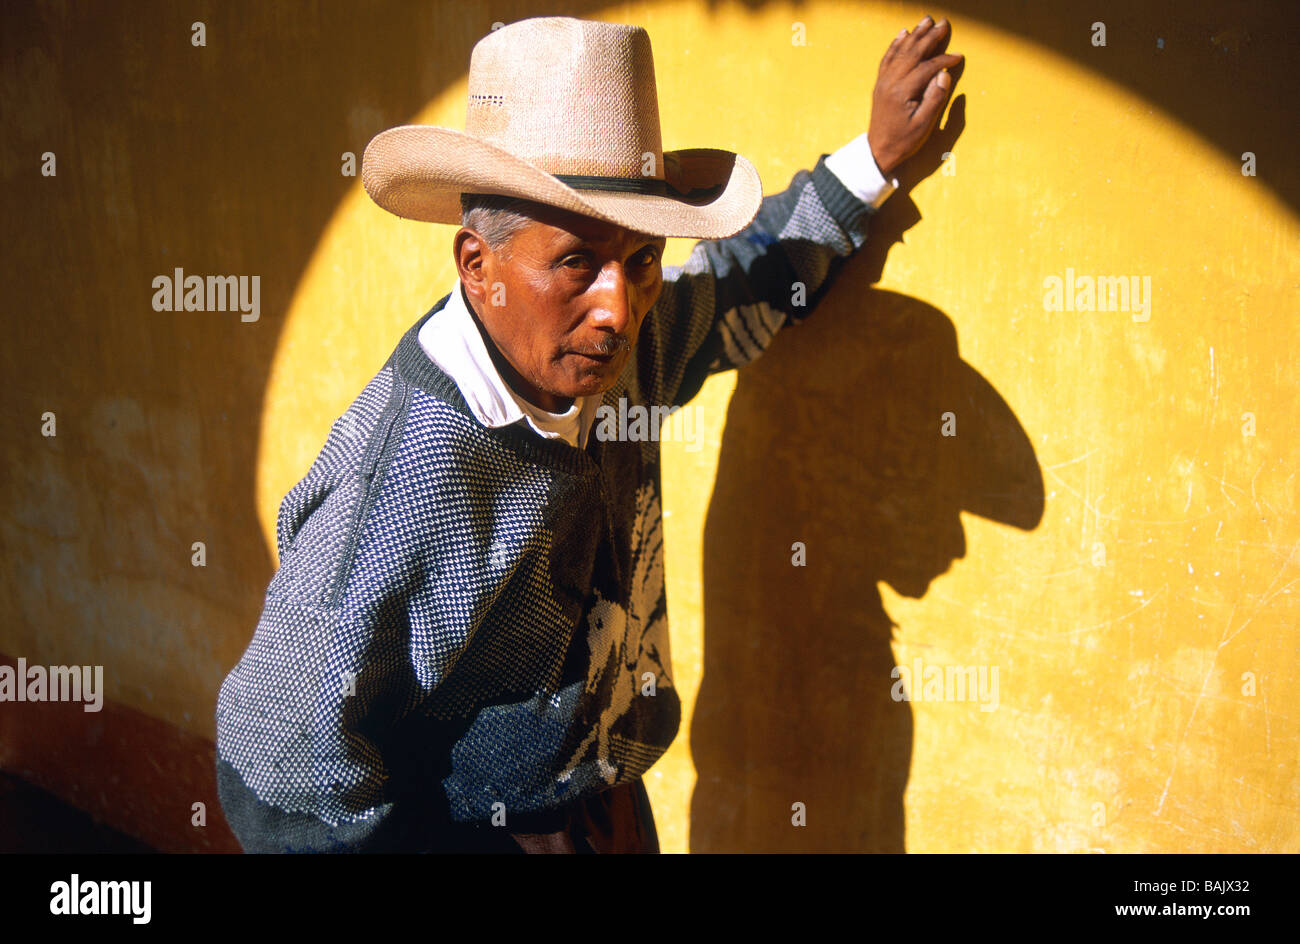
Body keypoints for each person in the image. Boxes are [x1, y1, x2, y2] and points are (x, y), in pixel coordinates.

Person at [215, 13, 961, 853]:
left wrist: (871, 164)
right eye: (576, 261)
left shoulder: (612, 345)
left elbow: (738, 282)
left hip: (595, 791)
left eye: (643, 259)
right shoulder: (407, 479)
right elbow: (278, 772)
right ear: (477, 265)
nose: (619, 306)